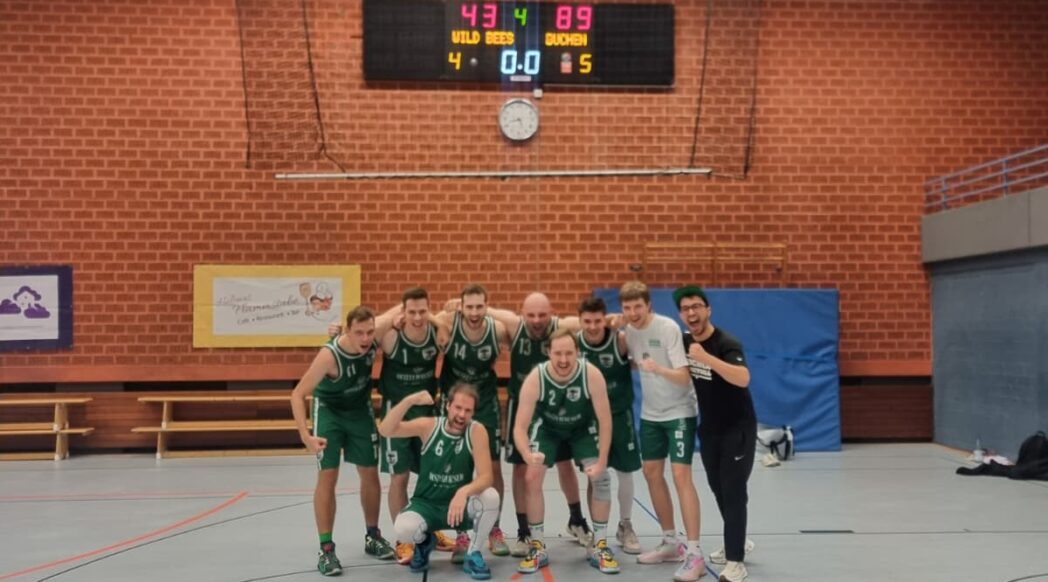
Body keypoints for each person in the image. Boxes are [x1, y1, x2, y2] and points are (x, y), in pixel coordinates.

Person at [291, 304, 400, 576]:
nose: (366, 338)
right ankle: (326, 548)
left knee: (370, 473)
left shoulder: (373, 335)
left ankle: (373, 535)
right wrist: (305, 435)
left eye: (369, 332)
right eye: (359, 333)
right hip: (330, 412)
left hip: (359, 410)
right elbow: (297, 394)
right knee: (328, 476)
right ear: (347, 332)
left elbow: (402, 308)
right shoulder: (329, 356)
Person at [487, 292, 592, 556]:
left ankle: (576, 519)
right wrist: (456, 307)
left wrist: (615, 321)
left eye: (542, 315)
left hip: (553, 405)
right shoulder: (514, 327)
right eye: (531, 315)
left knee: (565, 463)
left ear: (551, 313)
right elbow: (487, 310)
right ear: (522, 314)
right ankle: (524, 532)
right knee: (521, 468)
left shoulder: (560, 327)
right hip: (522, 407)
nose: (536, 320)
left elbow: (588, 322)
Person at [512, 329, 619, 575]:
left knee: (601, 478)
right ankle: (537, 546)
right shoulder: (536, 378)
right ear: (548, 353)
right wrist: (527, 454)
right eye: (558, 353)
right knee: (531, 476)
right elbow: (519, 427)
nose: (563, 360)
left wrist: (602, 461)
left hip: (582, 428)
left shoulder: (591, 374)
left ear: (577, 353)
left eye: (569, 353)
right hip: (547, 428)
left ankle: (600, 545)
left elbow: (605, 421)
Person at [619, 281, 706, 582]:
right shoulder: (629, 332)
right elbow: (634, 362)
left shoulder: (668, 328)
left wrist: (657, 369)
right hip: (650, 414)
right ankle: (671, 542)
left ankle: (694, 552)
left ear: (649, 305)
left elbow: (684, 376)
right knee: (651, 473)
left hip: (680, 411)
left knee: (681, 476)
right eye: (627, 308)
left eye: (638, 307)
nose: (633, 313)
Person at [378, 383, 501, 580]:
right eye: (458, 408)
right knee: (403, 529)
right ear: (448, 405)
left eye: (468, 410)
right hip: (427, 505)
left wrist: (463, 492)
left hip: (458, 508)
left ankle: (473, 553)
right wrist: (410, 400)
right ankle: (425, 541)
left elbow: (486, 476)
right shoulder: (429, 426)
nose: (461, 414)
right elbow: (385, 430)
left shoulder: (477, 431)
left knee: (491, 497)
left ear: (473, 413)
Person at [674, 286, 755, 582]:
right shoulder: (684, 341)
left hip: (737, 429)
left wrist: (706, 358)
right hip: (709, 429)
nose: (692, 313)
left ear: (708, 310)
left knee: (733, 492)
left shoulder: (726, 343)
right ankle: (737, 540)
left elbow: (743, 378)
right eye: (686, 309)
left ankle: (736, 561)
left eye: (697, 306)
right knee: (718, 488)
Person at [375, 287, 456, 563]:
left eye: (423, 311)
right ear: (403, 311)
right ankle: (404, 539)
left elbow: (449, 321)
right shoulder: (391, 337)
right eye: (412, 312)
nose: (418, 317)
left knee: (430, 477)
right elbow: (371, 326)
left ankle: (429, 530)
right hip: (396, 414)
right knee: (399, 478)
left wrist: (434, 319)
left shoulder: (435, 333)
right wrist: (394, 315)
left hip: (426, 414)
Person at [432, 284, 513, 560]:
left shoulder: (496, 329)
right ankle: (462, 534)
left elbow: (517, 324)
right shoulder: (448, 321)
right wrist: (441, 318)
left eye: (480, 306)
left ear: (487, 306)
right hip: (454, 403)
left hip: (485, 403)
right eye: (469, 307)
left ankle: (494, 528)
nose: (475, 312)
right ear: (461, 307)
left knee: (493, 467)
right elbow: (422, 318)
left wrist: (492, 311)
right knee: (456, 468)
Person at [576, 296, 643, 554]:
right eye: (587, 321)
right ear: (580, 321)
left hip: (619, 415)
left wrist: (622, 319)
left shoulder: (620, 340)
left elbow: (640, 331)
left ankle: (625, 525)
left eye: (597, 321)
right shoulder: (575, 343)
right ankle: (598, 530)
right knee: (595, 475)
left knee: (625, 472)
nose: (593, 326)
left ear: (604, 319)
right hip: (589, 418)